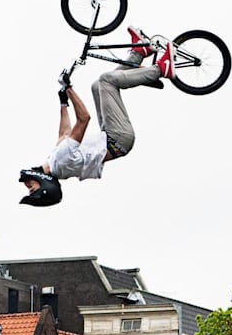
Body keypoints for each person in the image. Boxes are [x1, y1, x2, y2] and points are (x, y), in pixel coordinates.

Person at [19, 27, 175, 207]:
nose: (27, 185)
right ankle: (161, 70)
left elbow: (65, 134)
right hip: (118, 137)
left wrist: (64, 103)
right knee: (106, 81)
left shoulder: (56, 164)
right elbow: (84, 118)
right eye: (32, 189)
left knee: (97, 86)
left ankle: (139, 52)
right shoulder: (62, 161)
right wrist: (69, 88)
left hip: (112, 138)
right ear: (46, 186)